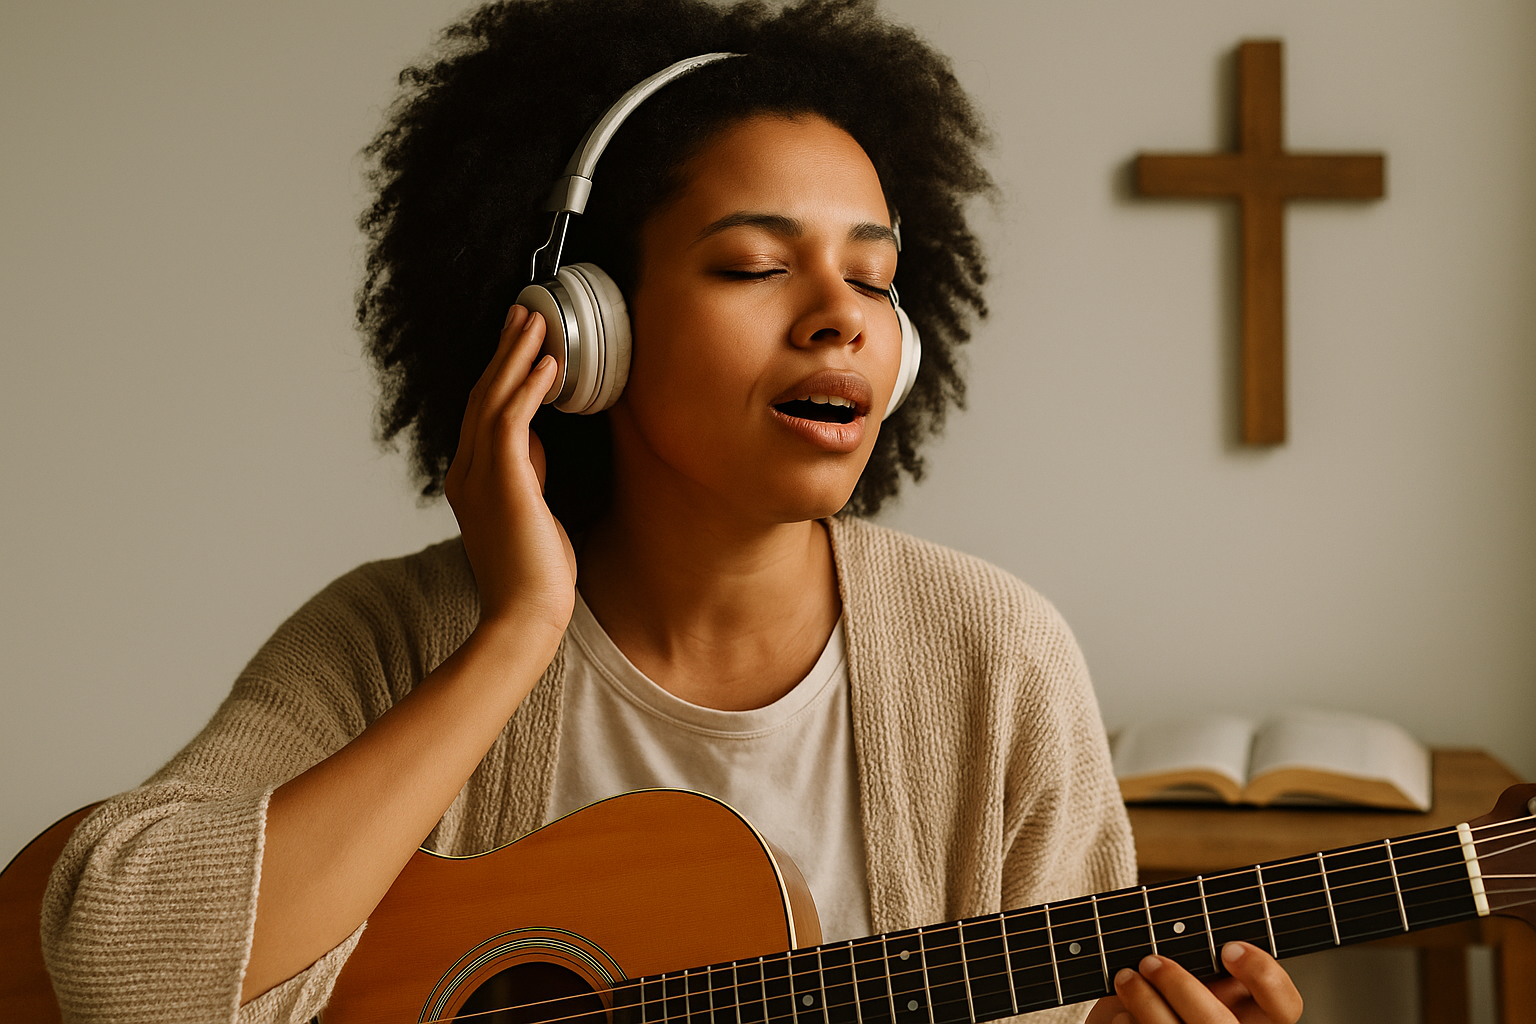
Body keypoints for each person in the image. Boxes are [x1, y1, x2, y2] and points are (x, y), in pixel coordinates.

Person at [41, 2, 1303, 1023]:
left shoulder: (997, 657)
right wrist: (516, 632)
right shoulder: (394, 637)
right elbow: (119, 965)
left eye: (873, 276)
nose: (840, 313)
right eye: (756, 265)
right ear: (585, 326)